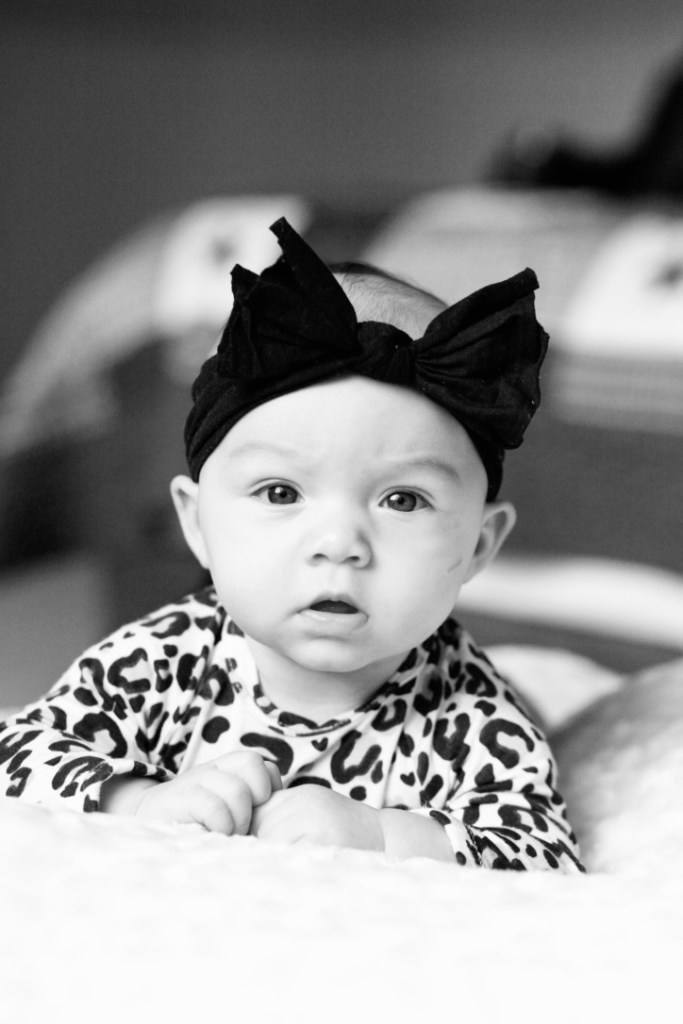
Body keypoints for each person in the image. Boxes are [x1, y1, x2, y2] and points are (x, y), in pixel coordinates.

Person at [0, 218, 583, 872]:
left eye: (402, 500)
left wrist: (380, 834)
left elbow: (544, 856)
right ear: (197, 524)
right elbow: (18, 754)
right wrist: (135, 802)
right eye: (280, 492)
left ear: (479, 545)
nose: (339, 544)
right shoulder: (164, 659)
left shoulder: (471, 714)